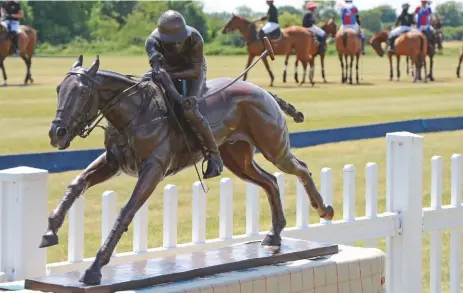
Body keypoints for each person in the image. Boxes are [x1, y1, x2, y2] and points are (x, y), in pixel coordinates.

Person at [144, 10, 223, 180]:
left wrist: (184, 100)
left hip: (193, 70)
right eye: (171, 43)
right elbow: (158, 70)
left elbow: (195, 71)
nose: (177, 45)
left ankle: (214, 156)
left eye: (180, 41)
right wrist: (176, 95)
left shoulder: (195, 38)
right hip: (165, 71)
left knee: (189, 110)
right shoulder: (151, 42)